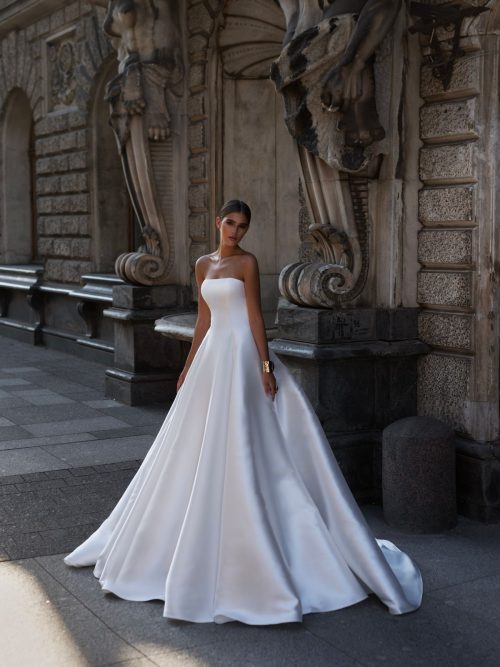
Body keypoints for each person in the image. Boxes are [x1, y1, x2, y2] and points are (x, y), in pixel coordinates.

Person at [64, 200, 422, 624]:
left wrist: (265, 367)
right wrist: (187, 365)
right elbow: (204, 320)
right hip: (213, 357)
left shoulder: (248, 263)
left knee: (249, 442)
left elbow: (254, 315)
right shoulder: (202, 265)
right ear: (218, 223)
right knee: (194, 445)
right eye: (230, 223)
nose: (235, 231)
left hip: (244, 357)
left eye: (242, 225)